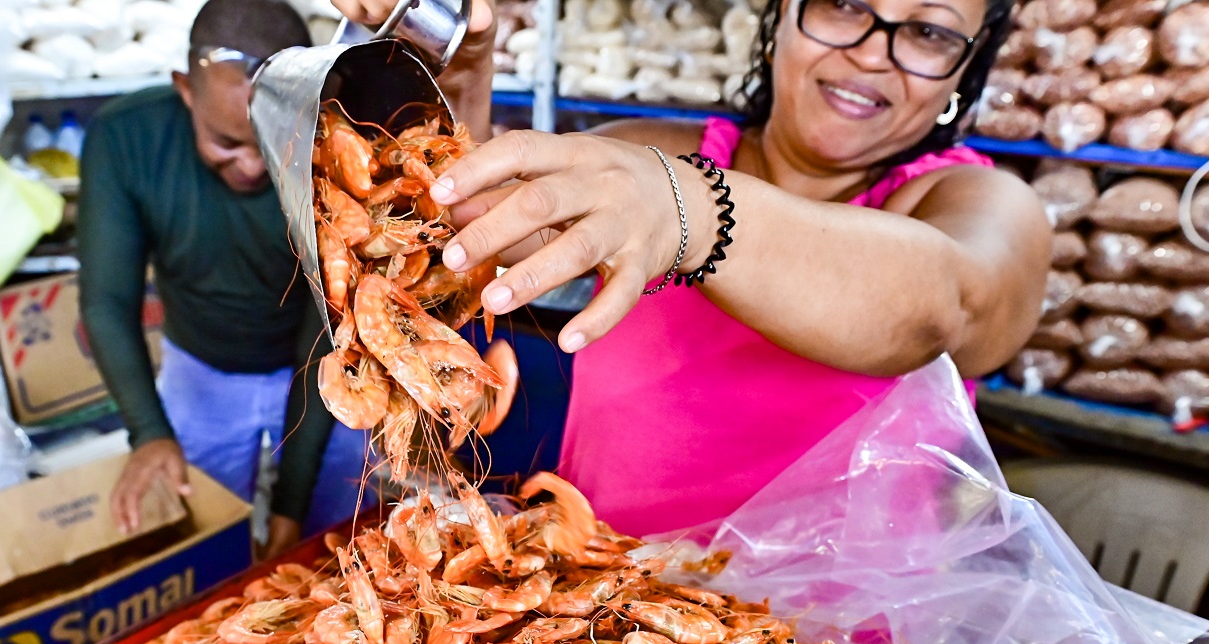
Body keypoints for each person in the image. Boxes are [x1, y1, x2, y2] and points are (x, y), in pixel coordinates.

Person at [340, 0, 1050, 537]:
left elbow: (943, 306)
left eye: (928, 32)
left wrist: (689, 210)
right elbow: (463, 227)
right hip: (607, 611)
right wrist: (451, 73)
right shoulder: (653, 152)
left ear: (966, 66)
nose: (872, 53)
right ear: (781, 16)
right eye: (845, 4)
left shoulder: (980, 203)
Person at [79, 0, 370, 560]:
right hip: (202, 372)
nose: (252, 166)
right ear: (185, 90)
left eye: (268, 142)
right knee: (206, 550)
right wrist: (148, 432)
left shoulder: (332, 146)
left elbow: (325, 323)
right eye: (226, 142)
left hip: (319, 368)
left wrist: (290, 501)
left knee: (333, 543)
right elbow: (106, 303)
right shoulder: (125, 140)